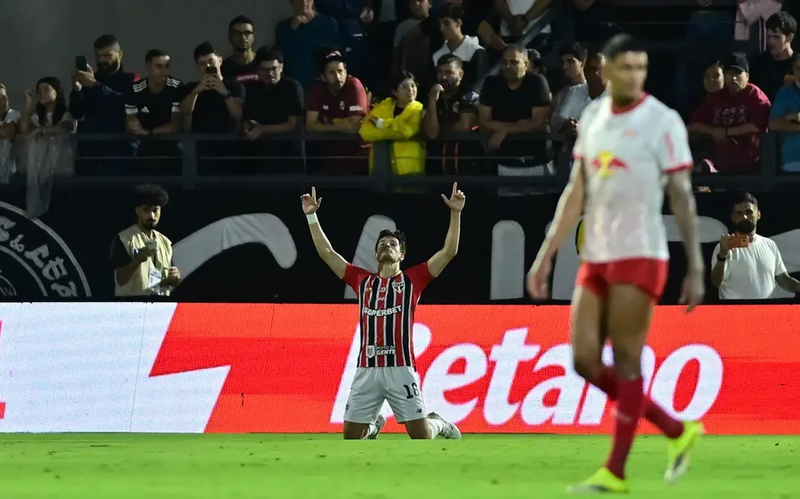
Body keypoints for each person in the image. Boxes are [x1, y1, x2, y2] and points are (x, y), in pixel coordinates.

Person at [526, 34, 705, 493]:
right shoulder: (593, 117)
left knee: (626, 360)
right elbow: (576, 191)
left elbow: (681, 196)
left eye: (641, 68)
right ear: (604, 69)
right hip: (598, 254)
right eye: (626, 68)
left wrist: (696, 265)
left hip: (641, 253)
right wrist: (546, 254)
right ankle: (675, 428)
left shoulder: (661, 121)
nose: (634, 76)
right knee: (584, 360)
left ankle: (616, 471)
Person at [301, 184, 465, 440]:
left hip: (400, 368)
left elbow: (448, 252)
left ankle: (438, 423)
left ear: (401, 255)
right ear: (376, 254)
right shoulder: (361, 280)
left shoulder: (414, 279)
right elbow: (327, 253)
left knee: (421, 435)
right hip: (367, 369)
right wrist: (311, 216)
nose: (387, 246)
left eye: (393, 244)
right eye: (382, 244)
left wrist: (455, 212)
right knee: (351, 437)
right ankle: (374, 426)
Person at [711, 193, 800, 299]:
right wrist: (722, 255)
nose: (744, 217)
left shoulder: (769, 244)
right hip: (736, 309)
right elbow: (716, 282)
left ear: (758, 215)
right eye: (739, 213)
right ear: (733, 217)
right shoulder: (724, 247)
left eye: (748, 212)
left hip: (767, 309)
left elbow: (784, 280)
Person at [111, 184, 181, 297]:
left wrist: (175, 278)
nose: (151, 215)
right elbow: (120, 279)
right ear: (137, 210)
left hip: (160, 304)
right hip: (132, 304)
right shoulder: (124, 239)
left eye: (155, 210)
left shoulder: (165, 242)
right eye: (146, 210)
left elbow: (173, 280)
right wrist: (137, 260)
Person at [359, 71, 425, 177]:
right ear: (394, 92)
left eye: (413, 85)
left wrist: (382, 124)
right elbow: (365, 131)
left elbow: (406, 132)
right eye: (403, 86)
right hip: (382, 167)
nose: (410, 90)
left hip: (409, 168)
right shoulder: (384, 105)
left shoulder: (418, 109)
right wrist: (391, 131)